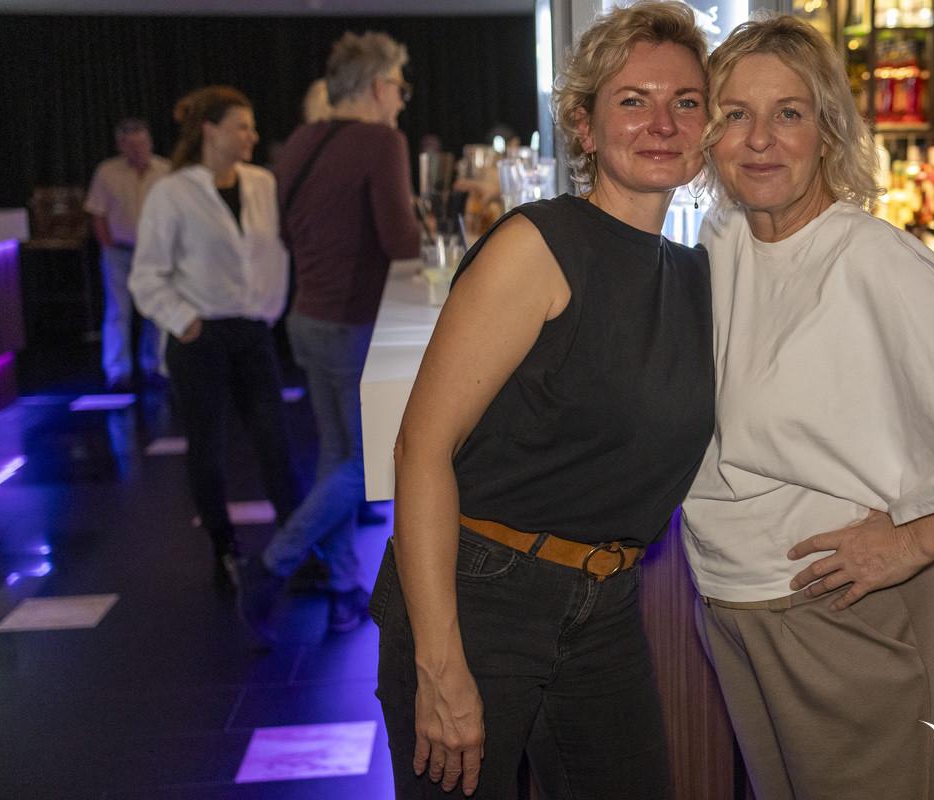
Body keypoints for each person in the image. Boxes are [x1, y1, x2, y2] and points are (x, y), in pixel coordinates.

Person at [681, 16, 934, 800]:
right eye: (736, 114)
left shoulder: (866, 254)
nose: (760, 139)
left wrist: (913, 541)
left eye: (788, 113)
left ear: (827, 131)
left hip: (840, 620)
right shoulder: (721, 238)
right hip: (733, 607)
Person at [370, 2, 713, 797]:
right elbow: (421, 450)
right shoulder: (540, 245)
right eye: (633, 100)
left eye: (686, 101)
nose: (663, 122)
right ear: (584, 127)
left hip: (605, 603)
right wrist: (440, 665)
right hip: (478, 596)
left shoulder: (690, 275)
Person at [237, 31, 421, 638]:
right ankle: (272, 563)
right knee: (368, 466)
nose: (401, 100)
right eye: (399, 87)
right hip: (349, 323)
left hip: (307, 319)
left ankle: (343, 588)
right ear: (377, 87)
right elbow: (401, 243)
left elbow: (290, 233)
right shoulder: (381, 142)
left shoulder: (301, 141)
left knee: (336, 458)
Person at [129, 86, 301, 586]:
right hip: (199, 336)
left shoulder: (262, 183)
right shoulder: (172, 192)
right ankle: (223, 547)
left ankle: (295, 543)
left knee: (274, 440)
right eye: (241, 127)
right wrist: (184, 321)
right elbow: (146, 275)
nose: (252, 136)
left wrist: (269, 309)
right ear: (210, 131)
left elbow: (276, 254)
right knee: (208, 447)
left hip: (251, 329)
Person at [84, 118, 171, 391]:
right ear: (121, 145)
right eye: (131, 145)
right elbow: (97, 212)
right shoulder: (107, 172)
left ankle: (155, 365)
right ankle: (117, 371)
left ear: (150, 142)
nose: (138, 150)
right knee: (118, 311)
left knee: (157, 311)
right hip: (119, 251)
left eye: (142, 143)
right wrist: (107, 245)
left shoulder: (165, 171)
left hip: (156, 253)